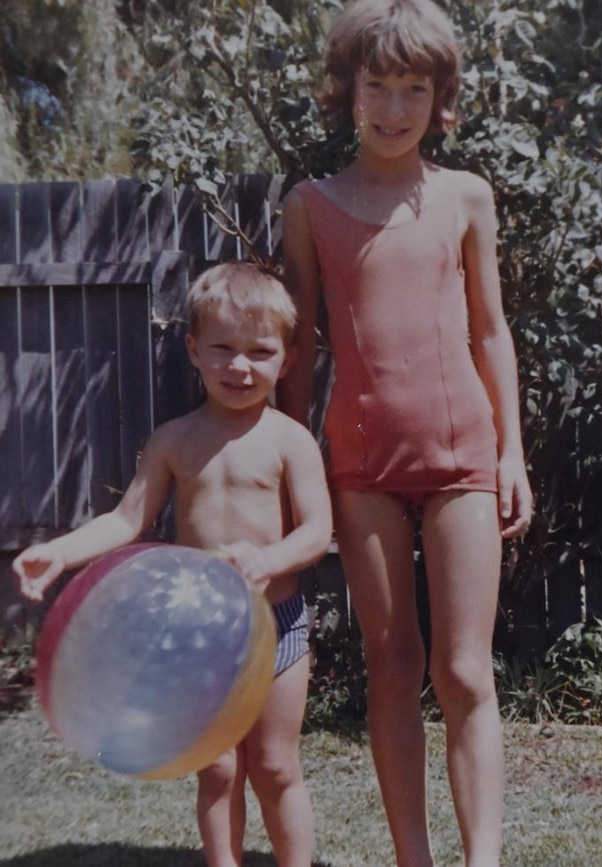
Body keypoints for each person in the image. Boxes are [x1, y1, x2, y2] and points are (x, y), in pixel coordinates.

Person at [278, 1, 533, 866]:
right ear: (345, 91)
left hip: (464, 454)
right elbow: (298, 350)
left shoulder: (466, 196)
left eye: (412, 89)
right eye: (376, 86)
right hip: (359, 464)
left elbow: (492, 330)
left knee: (464, 669)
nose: (393, 108)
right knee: (392, 662)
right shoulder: (309, 205)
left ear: (441, 97)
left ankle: (483, 857)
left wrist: (512, 451)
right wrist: (287, 466)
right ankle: (412, 857)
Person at [13, 261, 333, 867]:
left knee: (273, 764)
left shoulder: (290, 440)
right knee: (216, 766)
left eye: (259, 352)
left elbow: (318, 530)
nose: (240, 366)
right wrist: (57, 552)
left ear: (286, 360)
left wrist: (269, 560)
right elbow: (126, 521)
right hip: (199, 637)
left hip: (278, 624)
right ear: (193, 349)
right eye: (223, 349)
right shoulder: (173, 440)